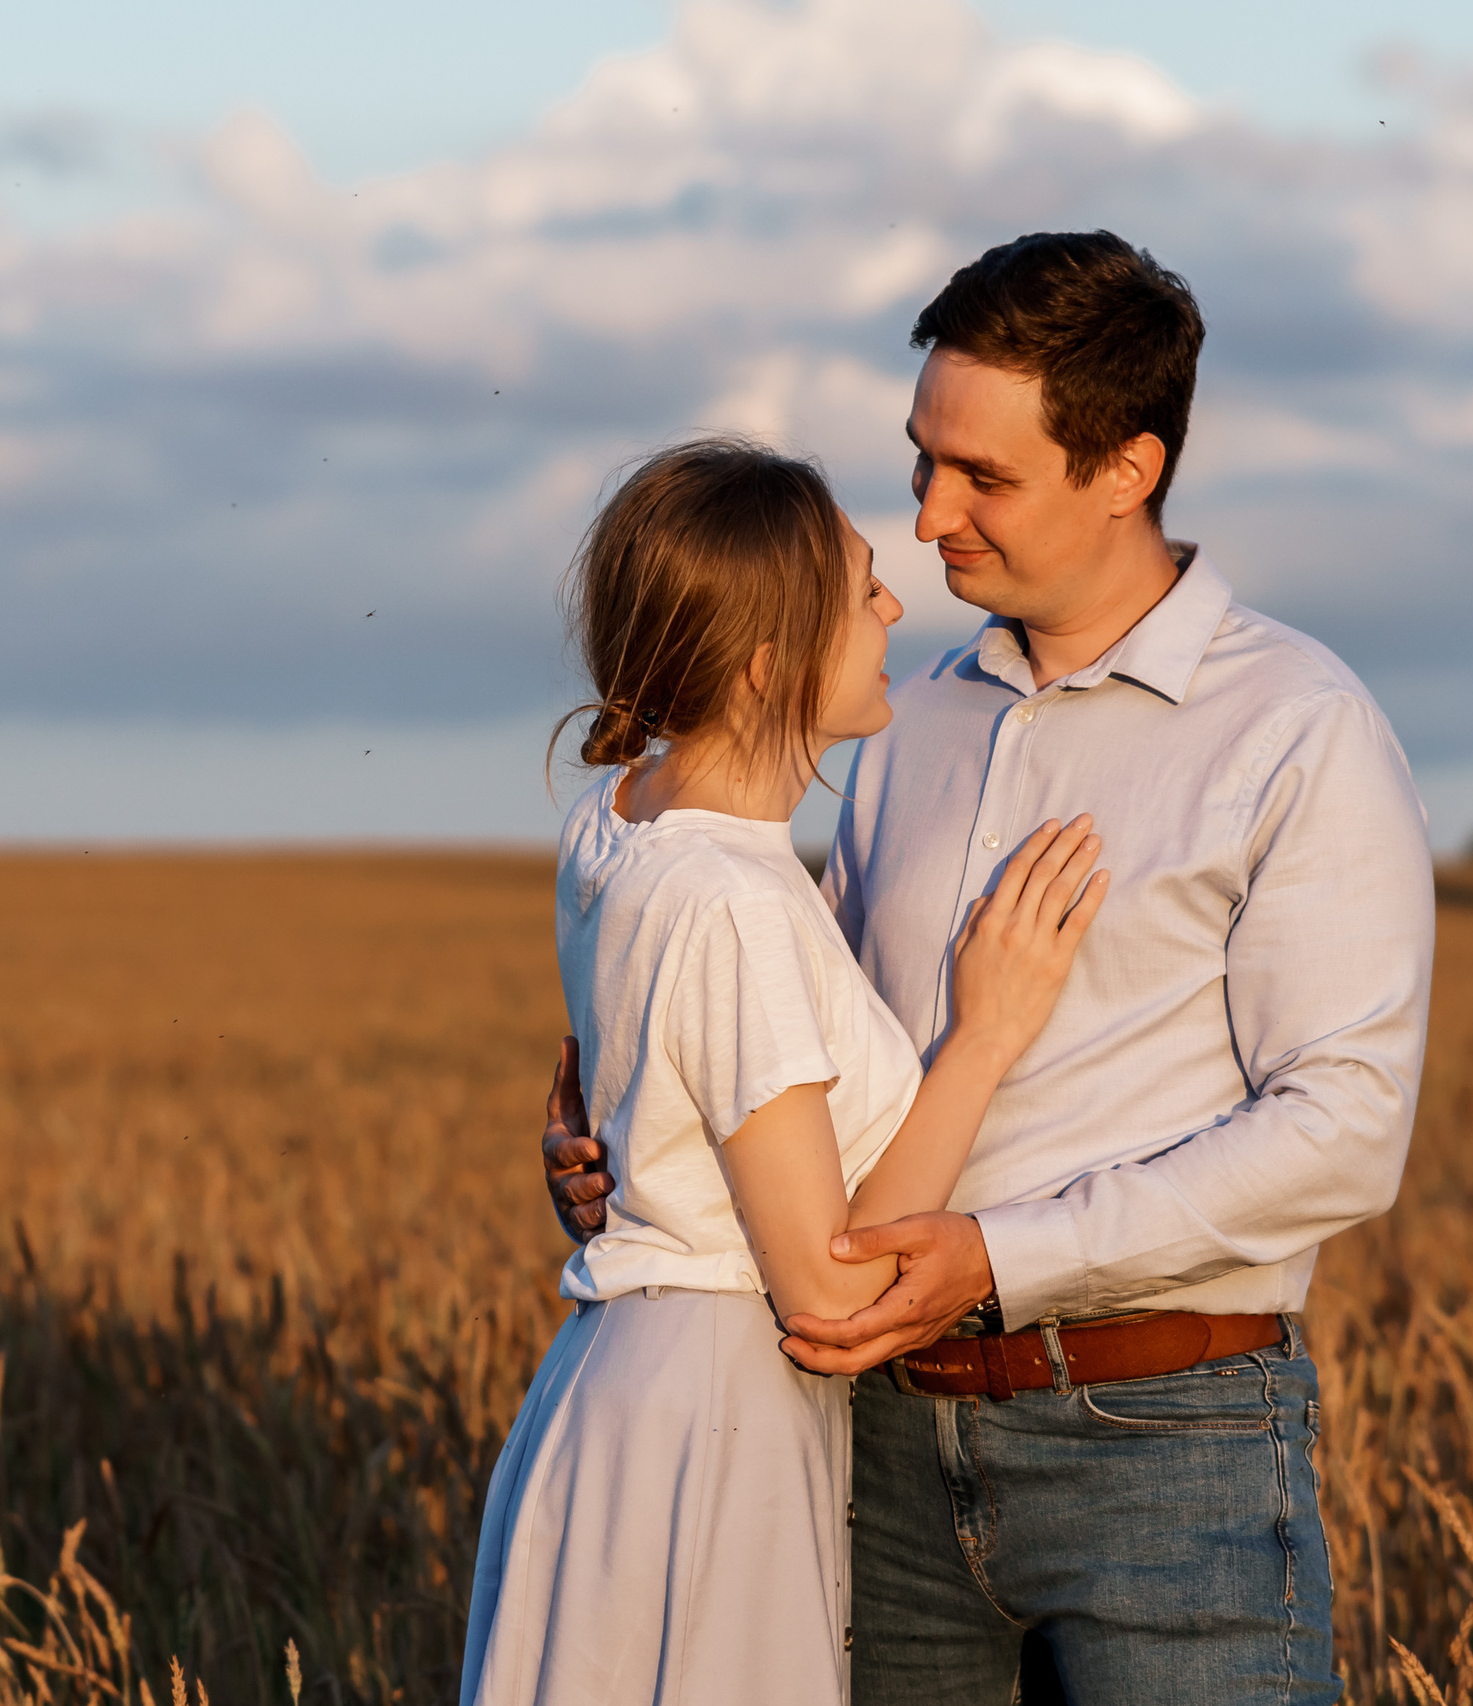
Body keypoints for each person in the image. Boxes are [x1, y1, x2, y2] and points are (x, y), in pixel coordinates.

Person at [541, 232, 1437, 1703]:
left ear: (1128, 469)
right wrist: (645, 1154)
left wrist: (999, 1255)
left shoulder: (1298, 727)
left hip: (1167, 1441)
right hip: (872, 1442)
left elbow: (1342, 1130)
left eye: (985, 477)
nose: (927, 515)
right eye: (922, 458)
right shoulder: (910, 714)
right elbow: (787, 1036)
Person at [462, 437, 1111, 1706]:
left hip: (624, 1385)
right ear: (767, 659)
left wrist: (606, 1157)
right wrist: (985, 1032)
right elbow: (825, 1286)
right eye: (859, 586)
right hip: (715, 1418)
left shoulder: (619, 813)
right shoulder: (730, 897)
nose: (890, 607)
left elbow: (646, 1085)